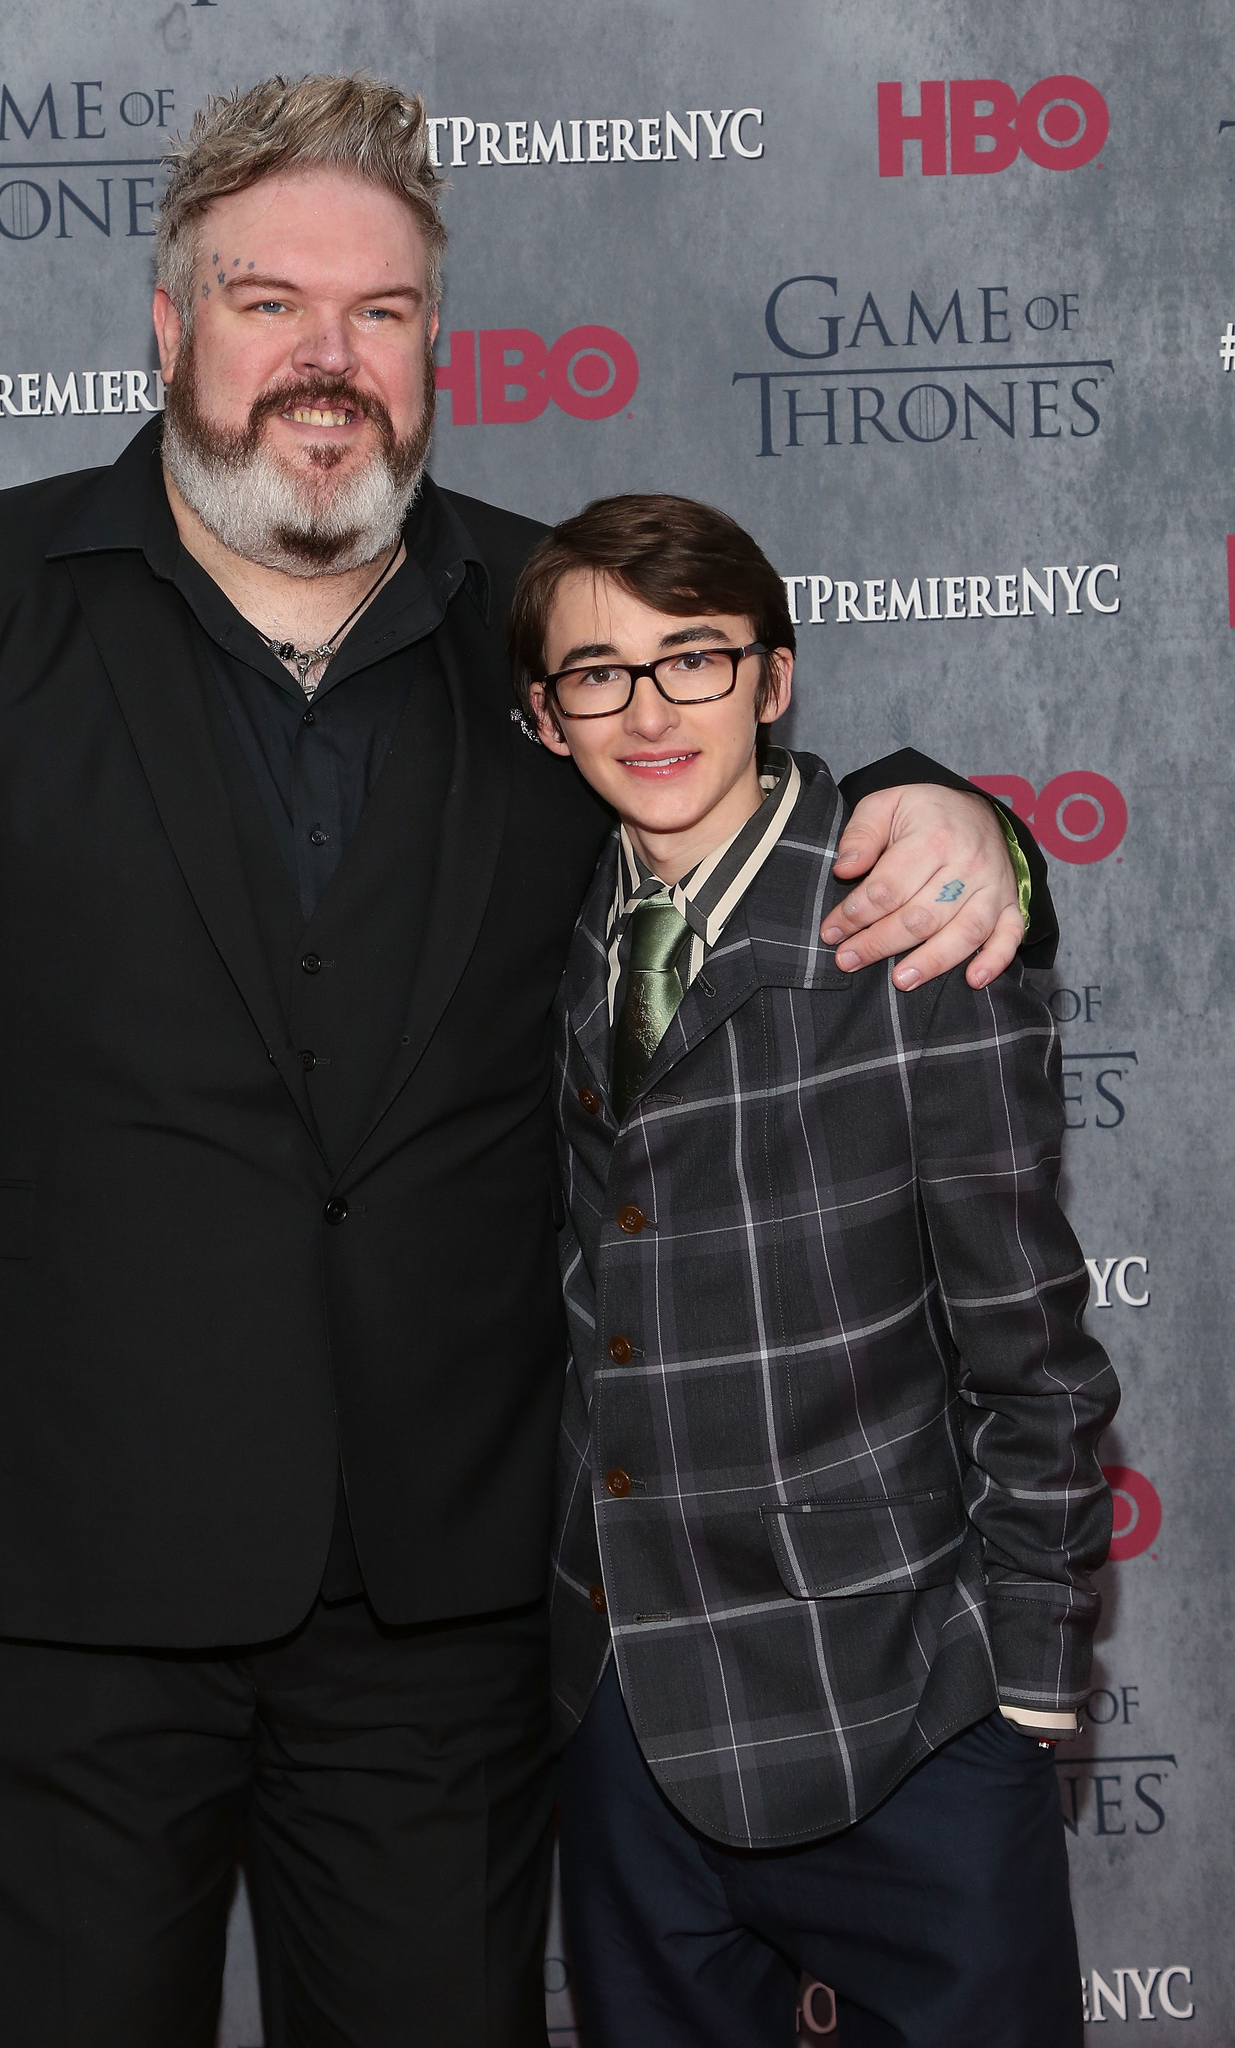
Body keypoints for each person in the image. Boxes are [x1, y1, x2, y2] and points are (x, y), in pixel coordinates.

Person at [0, 76, 1052, 2048]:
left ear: (435, 344)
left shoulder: (544, 630)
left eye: (381, 314)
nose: (324, 364)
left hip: (447, 1600)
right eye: (271, 305)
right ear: (170, 327)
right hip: (41, 1577)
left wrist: (957, 811)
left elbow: (741, 793)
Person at [512, 494, 1116, 2047]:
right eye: (596, 673)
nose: (647, 711)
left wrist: (1029, 1691)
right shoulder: (559, 928)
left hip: (895, 1714)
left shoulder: (911, 930)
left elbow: (1032, 1352)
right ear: (541, 713)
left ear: (774, 679)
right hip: (628, 1719)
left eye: (692, 659)